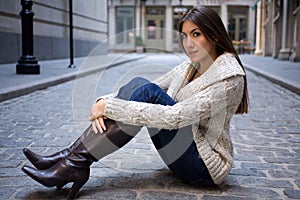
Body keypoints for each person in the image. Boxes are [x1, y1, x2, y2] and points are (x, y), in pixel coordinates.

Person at [21, 6, 248, 200]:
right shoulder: (191, 66)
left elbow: (175, 117)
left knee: (147, 91)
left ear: (215, 35)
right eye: (184, 36)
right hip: (182, 150)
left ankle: (72, 163)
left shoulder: (229, 77)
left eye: (196, 34)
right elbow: (144, 88)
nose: (188, 43)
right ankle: (69, 159)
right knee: (141, 84)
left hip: (202, 166)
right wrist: (103, 101)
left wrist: (109, 108)